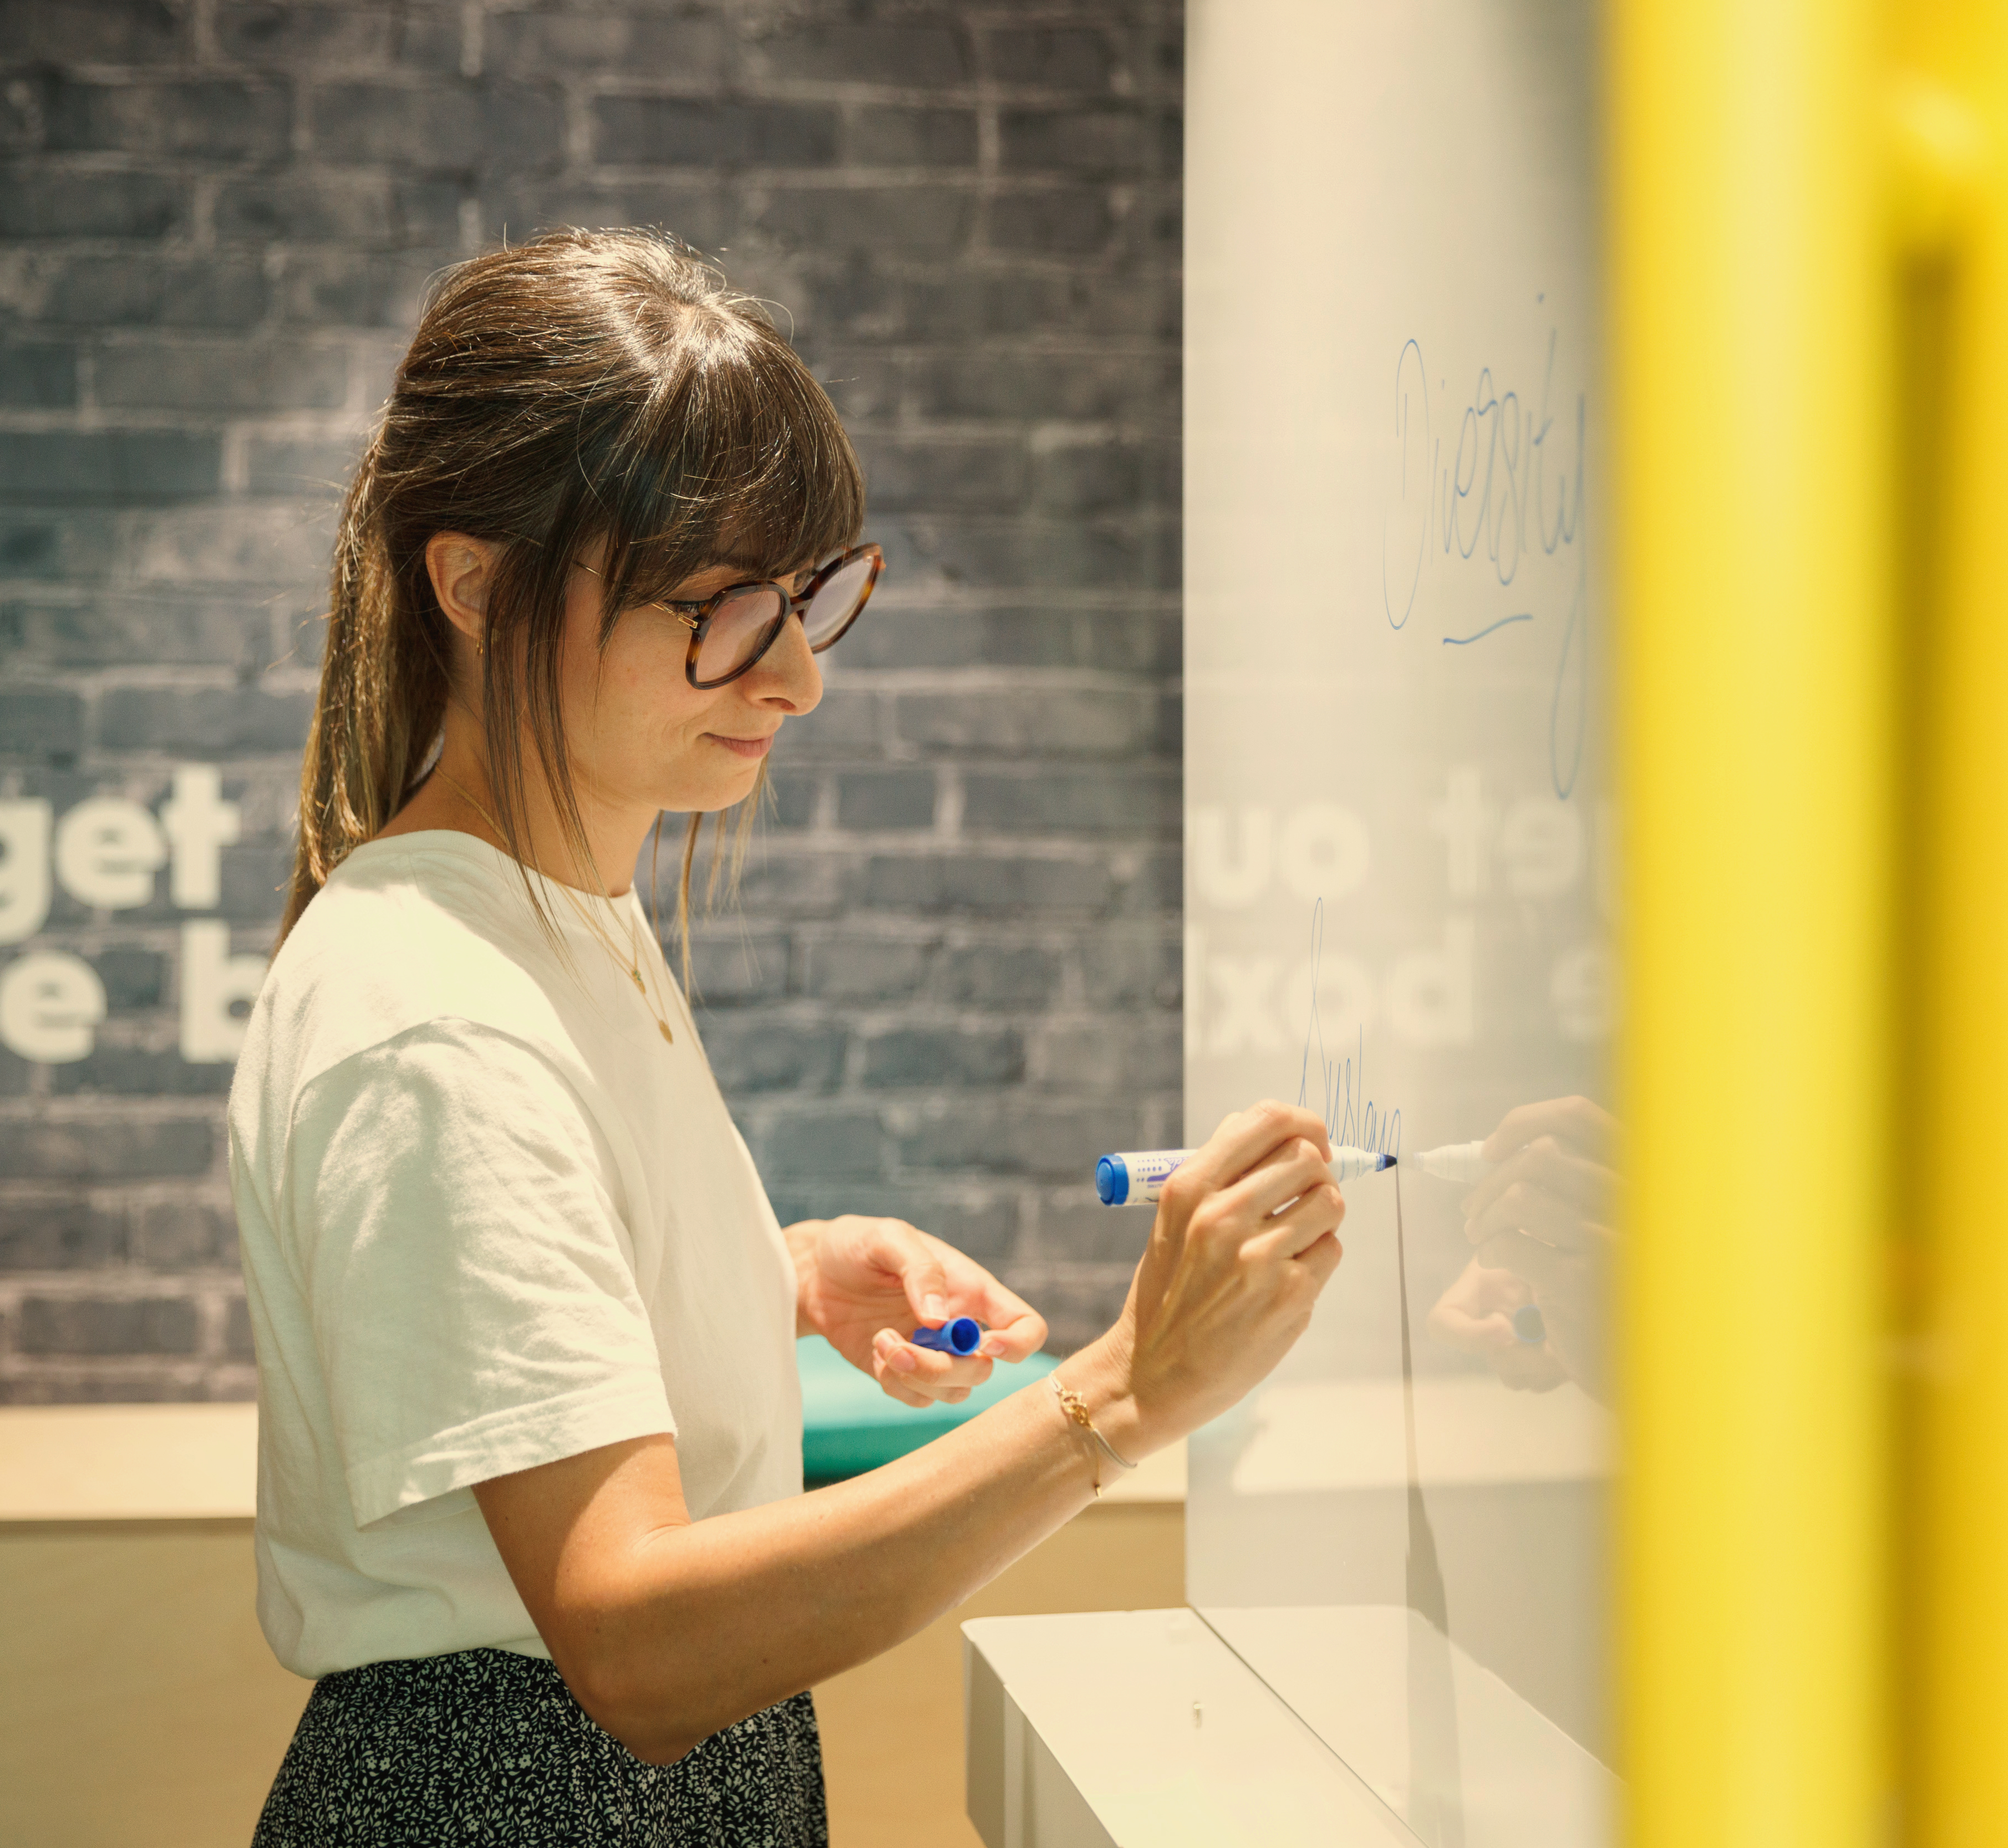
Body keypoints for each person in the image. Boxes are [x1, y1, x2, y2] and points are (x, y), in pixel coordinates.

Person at [232, 227, 1348, 1845]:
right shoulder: (431, 1011)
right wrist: (1126, 1393)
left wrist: (779, 1276)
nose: (800, 676)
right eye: (718, 609)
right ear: (473, 583)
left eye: (810, 597)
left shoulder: (555, 920)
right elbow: (632, 1639)